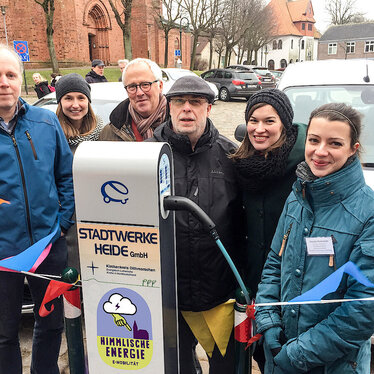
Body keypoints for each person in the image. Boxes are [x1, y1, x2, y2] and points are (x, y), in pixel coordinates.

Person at [255, 103, 374, 373]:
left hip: (334, 364)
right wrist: (269, 321)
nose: (320, 152)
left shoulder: (369, 213)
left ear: (353, 148)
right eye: (314, 140)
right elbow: (275, 263)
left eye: (334, 143)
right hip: (280, 353)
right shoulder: (298, 196)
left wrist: (298, 353)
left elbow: (363, 308)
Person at [148, 75, 245, 374]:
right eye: (179, 102)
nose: (186, 109)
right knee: (176, 367)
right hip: (168, 295)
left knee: (226, 367)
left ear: (209, 108)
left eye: (196, 102)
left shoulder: (232, 155)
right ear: (169, 106)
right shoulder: (146, 155)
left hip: (218, 294)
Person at [0, 44, 74, 373]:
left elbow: (66, 175)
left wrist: (62, 223)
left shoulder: (45, 121)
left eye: (10, 74)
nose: (3, 82)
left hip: (48, 245)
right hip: (3, 254)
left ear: (21, 79)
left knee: (51, 325)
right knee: (3, 334)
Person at [231, 89, 306, 371]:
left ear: (284, 124)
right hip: (252, 282)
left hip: (292, 286)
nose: (259, 129)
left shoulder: (304, 167)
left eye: (269, 121)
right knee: (263, 356)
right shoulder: (241, 164)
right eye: (253, 120)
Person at [55, 73, 105, 269]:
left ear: (88, 101)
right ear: (60, 102)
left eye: (80, 97)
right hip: (65, 222)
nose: (75, 104)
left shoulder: (103, 133)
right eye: (68, 98)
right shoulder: (52, 133)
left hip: (98, 218)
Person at [99, 58, 167, 141]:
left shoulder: (181, 125)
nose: (139, 93)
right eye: (132, 87)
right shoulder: (110, 133)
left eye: (145, 84)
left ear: (160, 86)